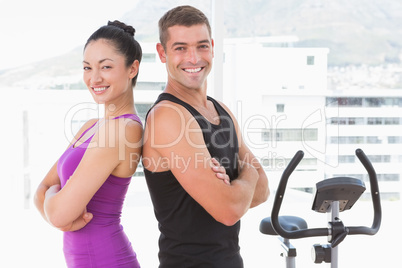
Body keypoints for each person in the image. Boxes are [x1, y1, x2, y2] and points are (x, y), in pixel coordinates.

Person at [142, 5, 270, 268]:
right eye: (180, 48)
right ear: (162, 53)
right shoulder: (168, 117)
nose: (193, 58)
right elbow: (229, 211)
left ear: (212, 47)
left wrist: (235, 185)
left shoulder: (221, 111)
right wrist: (247, 173)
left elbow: (263, 191)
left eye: (201, 46)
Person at [34, 20, 143, 268]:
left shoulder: (123, 129)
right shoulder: (92, 126)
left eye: (105, 67)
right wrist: (56, 211)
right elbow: (41, 190)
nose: (94, 78)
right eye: (87, 67)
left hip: (108, 260)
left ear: (132, 69)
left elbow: (57, 209)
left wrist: (56, 211)